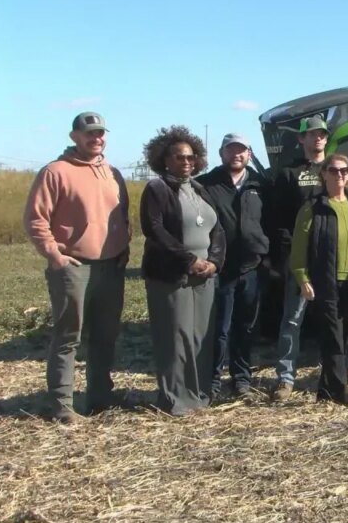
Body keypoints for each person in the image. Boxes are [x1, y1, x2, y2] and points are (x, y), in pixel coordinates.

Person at [24, 112, 131, 423]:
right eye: (89, 133)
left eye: (100, 133)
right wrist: (54, 255)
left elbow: (121, 215)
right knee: (68, 335)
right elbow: (35, 219)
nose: (96, 138)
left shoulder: (112, 172)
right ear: (74, 136)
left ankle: (100, 399)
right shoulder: (55, 172)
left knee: (105, 335)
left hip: (111, 267)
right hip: (73, 266)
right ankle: (62, 406)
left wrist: (124, 247)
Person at [140, 126, 225, 416]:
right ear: (165, 159)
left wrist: (214, 260)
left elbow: (218, 229)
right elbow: (155, 229)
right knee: (175, 336)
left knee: (200, 335)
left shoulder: (199, 188)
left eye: (190, 157)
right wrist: (189, 260)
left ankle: (198, 395)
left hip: (205, 275)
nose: (186, 162)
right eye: (179, 157)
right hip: (172, 274)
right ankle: (174, 399)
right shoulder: (157, 189)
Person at [291, 154, 348, 405]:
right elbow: (299, 245)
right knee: (333, 336)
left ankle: (326, 390)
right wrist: (302, 276)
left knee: (346, 337)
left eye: (344, 171)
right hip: (325, 280)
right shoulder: (313, 208)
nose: (339, 175)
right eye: (333, 170)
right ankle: (342, 390)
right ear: (324, 174)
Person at [196, 133, 270, 397]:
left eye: (241, 150)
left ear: (249, 154)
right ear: (221, 153)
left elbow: (271, 221)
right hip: (220, 268)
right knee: (219, 329)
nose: (236, 154)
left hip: (252, 266)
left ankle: (241, 379)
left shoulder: (260, 185)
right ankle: (212, 381)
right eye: (231, 150)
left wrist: (266, 255)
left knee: (245, 327)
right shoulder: (205, 184)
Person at [271, 115, 329, 402]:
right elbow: (278, 217)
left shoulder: (336, 170)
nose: (317, 138)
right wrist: (289, 251)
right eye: (312, 134)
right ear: (301, 139)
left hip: (330, 258)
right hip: (299, 258)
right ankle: (285, 378)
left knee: (330, 320)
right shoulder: (288, 173)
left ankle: (330, 375)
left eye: (322, 134)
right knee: (292, 319)